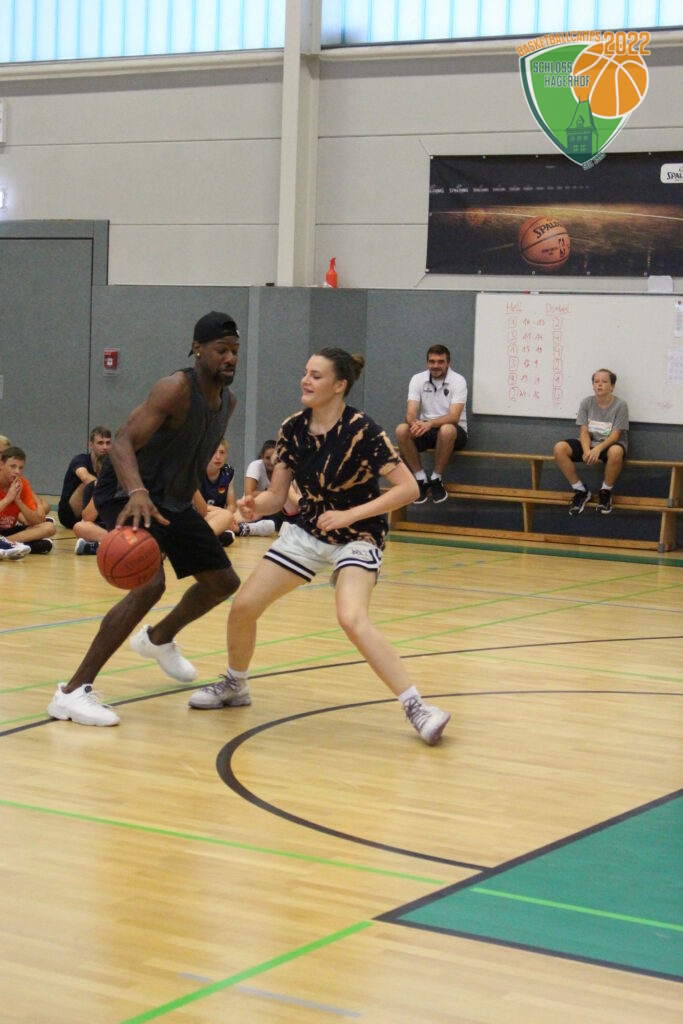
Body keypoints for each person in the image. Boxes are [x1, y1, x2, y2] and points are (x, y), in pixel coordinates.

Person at [189, 347, 451, 746]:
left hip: (359, 535)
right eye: (305, 373)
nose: (305, 380)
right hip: (308, 532)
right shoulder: (292, 428)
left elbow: (408, 489)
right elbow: (277, 497)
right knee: (243, 607)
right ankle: (235, 684)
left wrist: (349, 515)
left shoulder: (363, 430)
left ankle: (418, 707)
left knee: (351, 617)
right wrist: (254, 505)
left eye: (316, 375)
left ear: (340, 385)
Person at [46, 310, 243, 727]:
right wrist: (137, 491)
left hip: (173, 501)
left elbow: (190, 456)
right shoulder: (175, 389)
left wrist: (193, 503)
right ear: (197, 349)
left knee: (223, 582)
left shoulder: (227, 402)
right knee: (150, 585)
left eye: (235, 351)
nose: (230, 358)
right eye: (221, 350)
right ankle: (71, 692)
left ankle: (158, 638)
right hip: (127, 491)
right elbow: (122, 443)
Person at [395, 344, 468, 504]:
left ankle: (436, 479)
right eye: (432, 361)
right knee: (401, 430)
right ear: (427, 362)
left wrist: (430, 424)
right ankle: (420, 478)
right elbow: (410, 412)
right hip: (427, 429)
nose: (435, 366)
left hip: (454, 432)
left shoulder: (458, 381)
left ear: (448, 363)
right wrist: (415, 423)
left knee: (446, 430)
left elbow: (454, 417)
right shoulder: (417, 379)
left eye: (440, 362)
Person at [553, 368, 629, 516]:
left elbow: (615, 435)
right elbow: (584, 432)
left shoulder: (621, 405)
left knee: (616, 452)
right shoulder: (586, 403)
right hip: (589, 443)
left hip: (609, 444)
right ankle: (580, 491)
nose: (599, 384)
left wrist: (597, 449)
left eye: (604, 382)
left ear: (612, 386)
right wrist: (587, 450)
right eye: (596, 381)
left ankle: (605, 492)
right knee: (559, 448)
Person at [0, 446, 56, 554]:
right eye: (13, 466)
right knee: (44, 545)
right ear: (1, 465)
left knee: (49, 527)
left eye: (21, 468)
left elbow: (36, 522)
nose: (17, 471)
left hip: (7, 533)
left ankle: (5, 544)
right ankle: (15, 545)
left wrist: (18, 501)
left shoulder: (22, 484)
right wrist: (8, 499)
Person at [57, 426, 112, 529]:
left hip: (93, 515)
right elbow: (85, 477)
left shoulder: (111, 462)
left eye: (108, 443)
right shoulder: (80, 460)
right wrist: (109, 486)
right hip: (69, 515)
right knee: (91, 484)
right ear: (91, 445)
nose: (105, 447)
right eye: (100, 443)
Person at [193, 438, 240, 546]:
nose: (218, 457)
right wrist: (225, 514)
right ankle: (210, 537)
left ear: (226, 455)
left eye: (222, 452)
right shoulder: (196, 472)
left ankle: (216, 534)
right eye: (213, 452)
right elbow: (198, 508)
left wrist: (229, 516)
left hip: (216, 516)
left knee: (242, 513)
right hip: (198, 514)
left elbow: (231, 504)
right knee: (226, 516)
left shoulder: (228, 472)